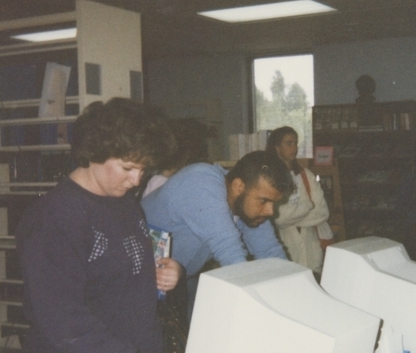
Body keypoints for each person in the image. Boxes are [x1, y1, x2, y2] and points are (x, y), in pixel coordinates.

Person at [16, 97, 185, 353]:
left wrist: (167, 272)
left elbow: (119, 275)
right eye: (127, 168)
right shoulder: (54, 217)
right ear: (94, 153)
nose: (137, 180)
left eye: (144, 169)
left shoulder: (124, 206)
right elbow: (63, 319)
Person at [141, 150, 293, 317]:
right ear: (238, 186)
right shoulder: (202, 182)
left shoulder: (245, 201)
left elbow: (271, 252)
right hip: (137, 279)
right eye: (264, 201)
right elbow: (231, 254)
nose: (271, 211)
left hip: (177, 277)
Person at [266, 126, 330, 273]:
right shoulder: (270, 177)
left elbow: (323, 212)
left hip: (310, 244)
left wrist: (290, 217)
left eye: (295, 143)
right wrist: (307, 206)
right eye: (289, 143)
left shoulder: (306, 175)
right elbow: (279, 218)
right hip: (284, 244)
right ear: (277, 148)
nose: (294, 147)